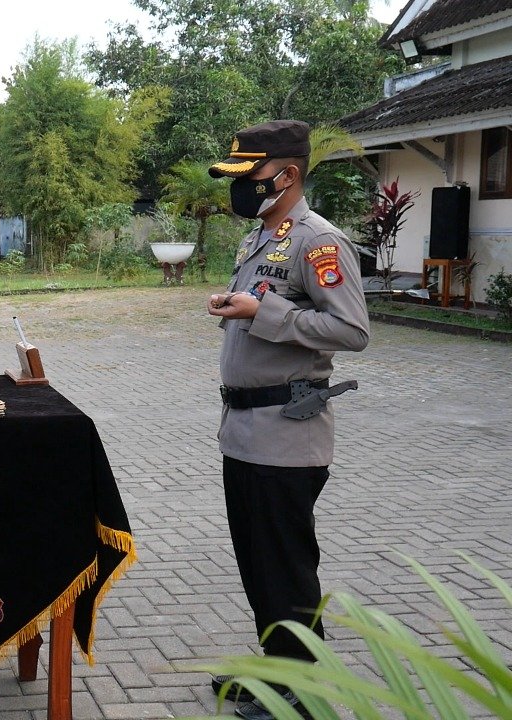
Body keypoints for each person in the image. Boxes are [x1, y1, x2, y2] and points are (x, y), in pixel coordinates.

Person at [205, 120, 369, 720]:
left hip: (288, 431)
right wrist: (239, 307)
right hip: (245, 429)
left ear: (288, 175)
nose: (240, 190)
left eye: (249, 179)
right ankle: (277, 675)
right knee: (259, 566)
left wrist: (264, 310)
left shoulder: (317, 241)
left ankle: (306, 694)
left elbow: (352, 329)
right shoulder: (261, 236)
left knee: (287, 571)